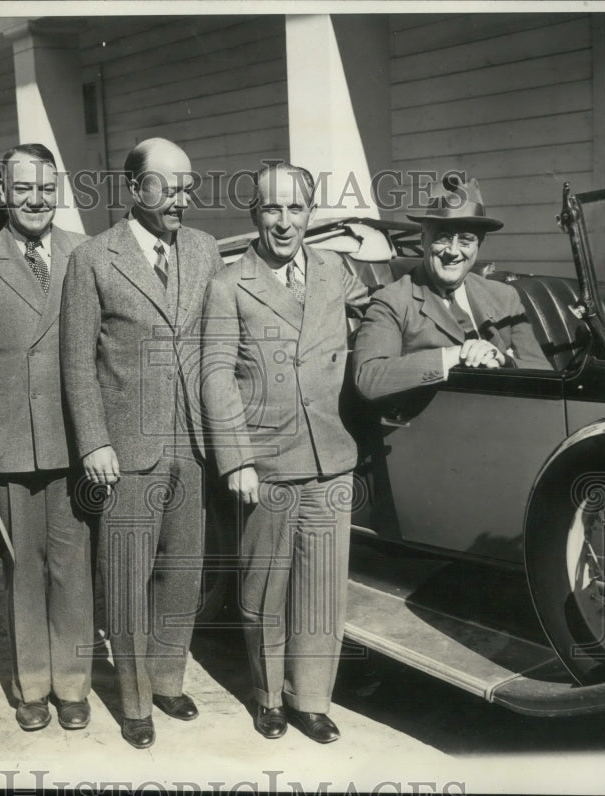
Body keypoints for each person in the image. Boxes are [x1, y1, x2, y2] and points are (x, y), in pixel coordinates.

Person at [60, 137, 224, 749]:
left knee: (182, 572)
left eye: (188, 186)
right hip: (126, 450)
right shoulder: (93, 258)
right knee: (128, 578)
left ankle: (167, 680)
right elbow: (76, 362)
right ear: (134, 188)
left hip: (192, 443)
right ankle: (133, 703)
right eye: (167, 186)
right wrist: (94, 443)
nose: (182, 198)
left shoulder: (205, 249)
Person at [200, 163, 370, 744]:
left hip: (329, 456)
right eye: (272, 208)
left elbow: (374, 318)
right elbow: (216, 374)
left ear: (310, 213)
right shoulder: (229, 284)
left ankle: (311, 700)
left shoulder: (334, 269)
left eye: (295, 208)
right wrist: (236, 459)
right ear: (255, 213)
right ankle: (269, 697)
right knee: (266, 587)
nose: (284, 221)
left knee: (321, 590)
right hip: (266, 461)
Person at [0, 143, 92, 734]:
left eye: (46, 189)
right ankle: (32, 686)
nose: (36, 200)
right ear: (3, 194)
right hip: (8, 443)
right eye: (23, 189)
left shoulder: (83, 252)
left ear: (59, 192)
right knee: (22, 569)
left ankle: (73, 685)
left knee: (72, 568)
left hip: (74, 441)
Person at [352, 174, 551, 401]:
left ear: (478, 245)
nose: (453, 252)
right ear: (423, 239)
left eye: (465, 240)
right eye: (443, 238)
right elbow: (368, 378)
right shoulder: (393, 301)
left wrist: (505, 360)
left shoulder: (505, 296)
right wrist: (452, 356)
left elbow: (545, 373)